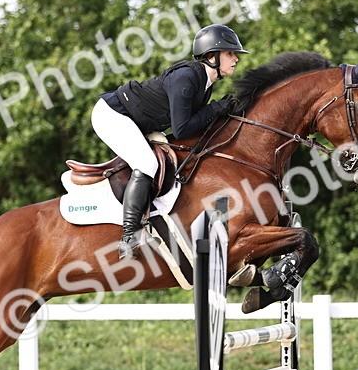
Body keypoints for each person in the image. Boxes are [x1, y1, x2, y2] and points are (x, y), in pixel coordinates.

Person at [91, 24, 249, 259]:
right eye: (230, 53)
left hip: (138, 122)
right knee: (147, 163)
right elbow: (182, 128)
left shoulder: (204, 84)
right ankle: (129, 237)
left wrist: (218, 110)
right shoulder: (187, 78)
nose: (236, 59)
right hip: (113, 115)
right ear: (211, 56)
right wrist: (216, 108)